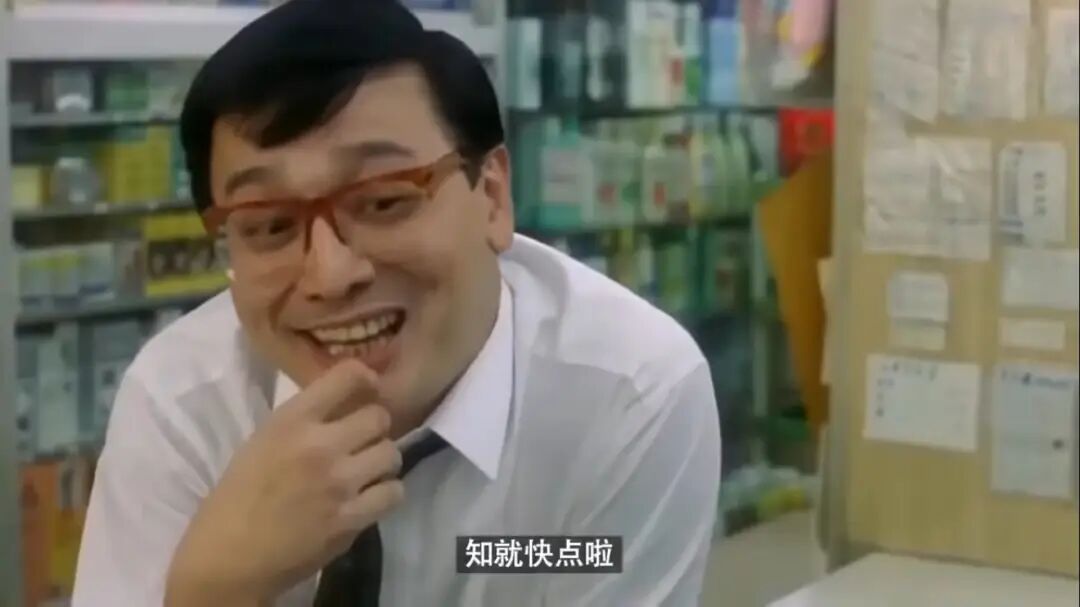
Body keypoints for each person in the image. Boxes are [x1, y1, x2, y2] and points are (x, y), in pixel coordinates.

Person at [72, 0, 721, 605]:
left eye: (384, 201)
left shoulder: (626, 391)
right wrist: (217, 586)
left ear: (492, 196)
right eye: (268, 224)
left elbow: (570, 563)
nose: (330, 276)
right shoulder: (183, 402)